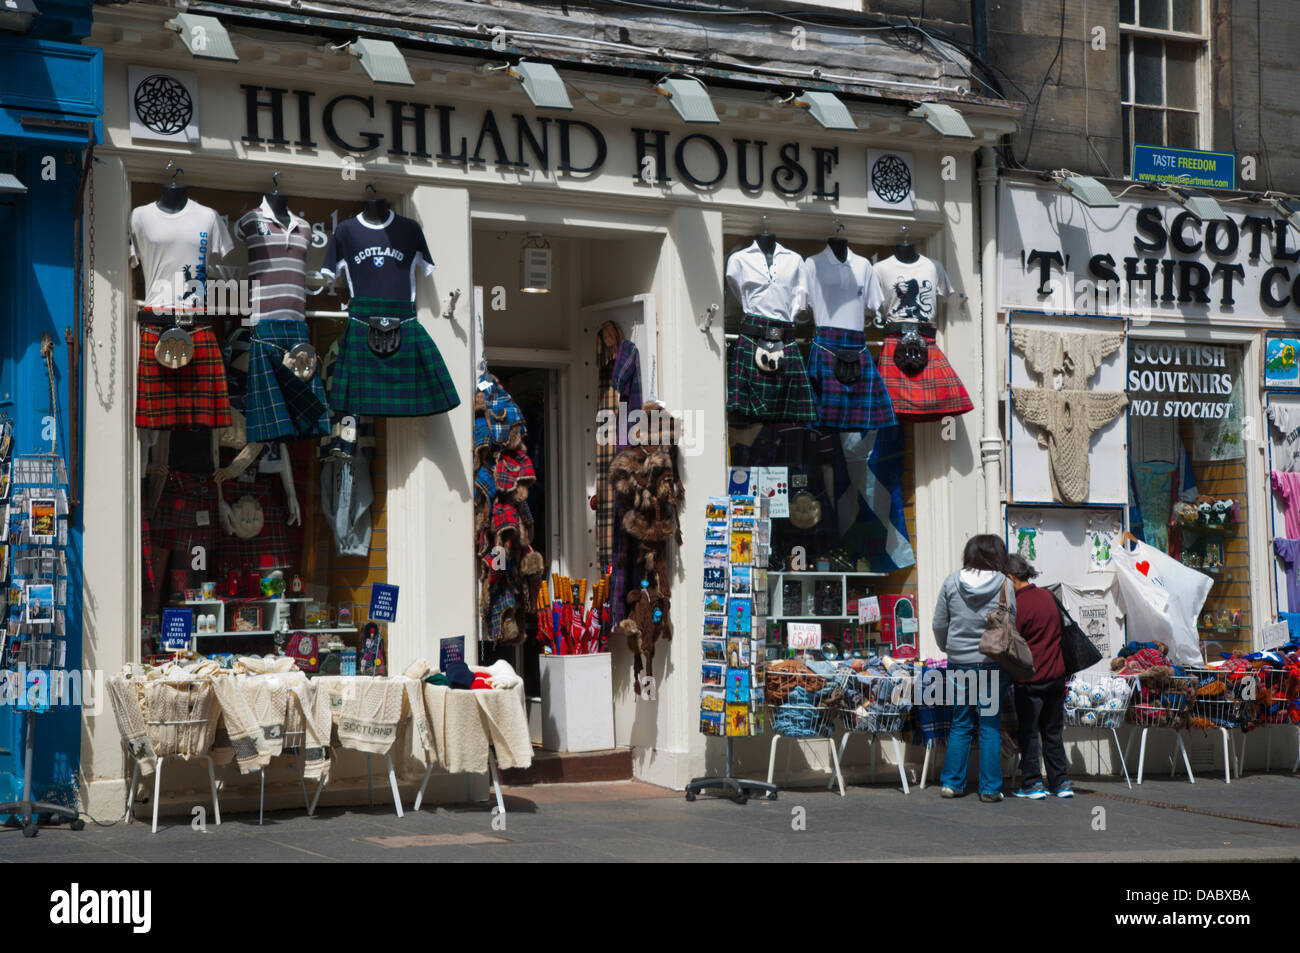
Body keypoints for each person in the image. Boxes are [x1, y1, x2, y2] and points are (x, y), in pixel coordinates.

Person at [933, 533, 1014, 802]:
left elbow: (939, 623)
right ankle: (990, 788)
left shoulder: (951, 581)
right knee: (989, 726)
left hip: (959, 664)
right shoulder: (1005, 584)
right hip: (991, 663)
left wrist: (948, 647)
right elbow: (1011, 622)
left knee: (961, 723)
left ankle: (952, 784)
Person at [1004, 554, 1072, 799]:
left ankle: (1032, 783)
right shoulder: (1048, 597)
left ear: (1011, 577)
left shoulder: (1018, 604)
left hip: (1030, 679)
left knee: (1030, 733)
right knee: (1053, 732)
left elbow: (1011, 640)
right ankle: (1061, 782)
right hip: (1056, 677)